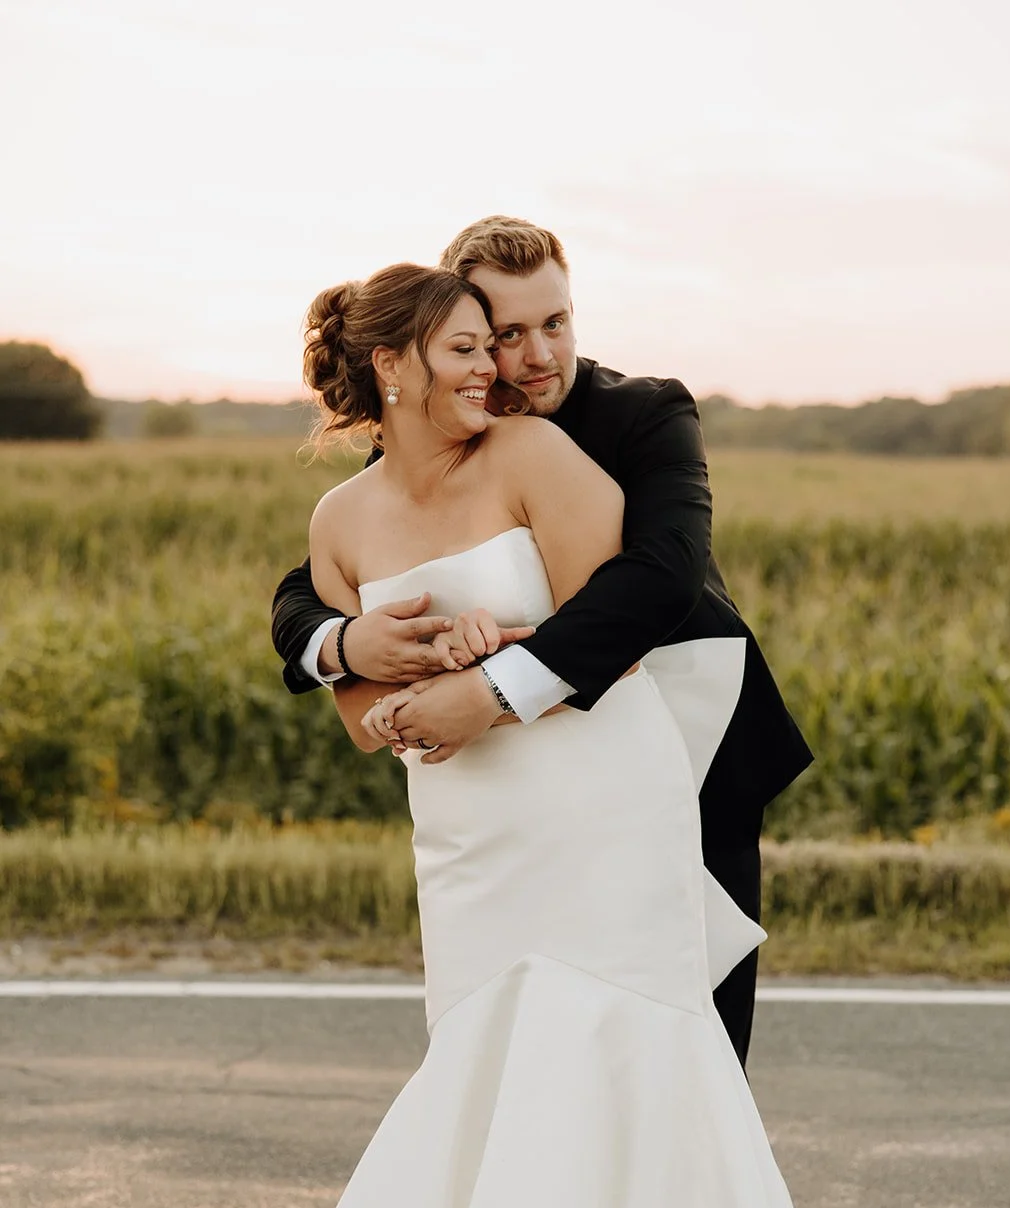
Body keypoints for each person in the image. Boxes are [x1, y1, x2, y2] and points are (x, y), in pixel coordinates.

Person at [178, 263, 869, 1208]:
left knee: (621, 1045)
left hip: (595, 798)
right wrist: (379, 660)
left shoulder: (547, 450)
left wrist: (489, 666)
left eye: (508, 338)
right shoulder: (339, 517)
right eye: (466, 345)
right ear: (391, 366)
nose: (497, 365)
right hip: (466, 837)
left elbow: (627, 609)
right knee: (491, 1070)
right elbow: (356, 709)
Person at [271, 217, 813, 1070]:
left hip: (689, 747)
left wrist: (486, 691)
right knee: (522, 1047)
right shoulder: (432, 436)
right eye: (504, 335)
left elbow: (659, 580)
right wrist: (341, 644)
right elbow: (306, 587)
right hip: (500, 802)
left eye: (554, 323)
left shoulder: (642, 412)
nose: (534, 357)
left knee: (689, 1035)